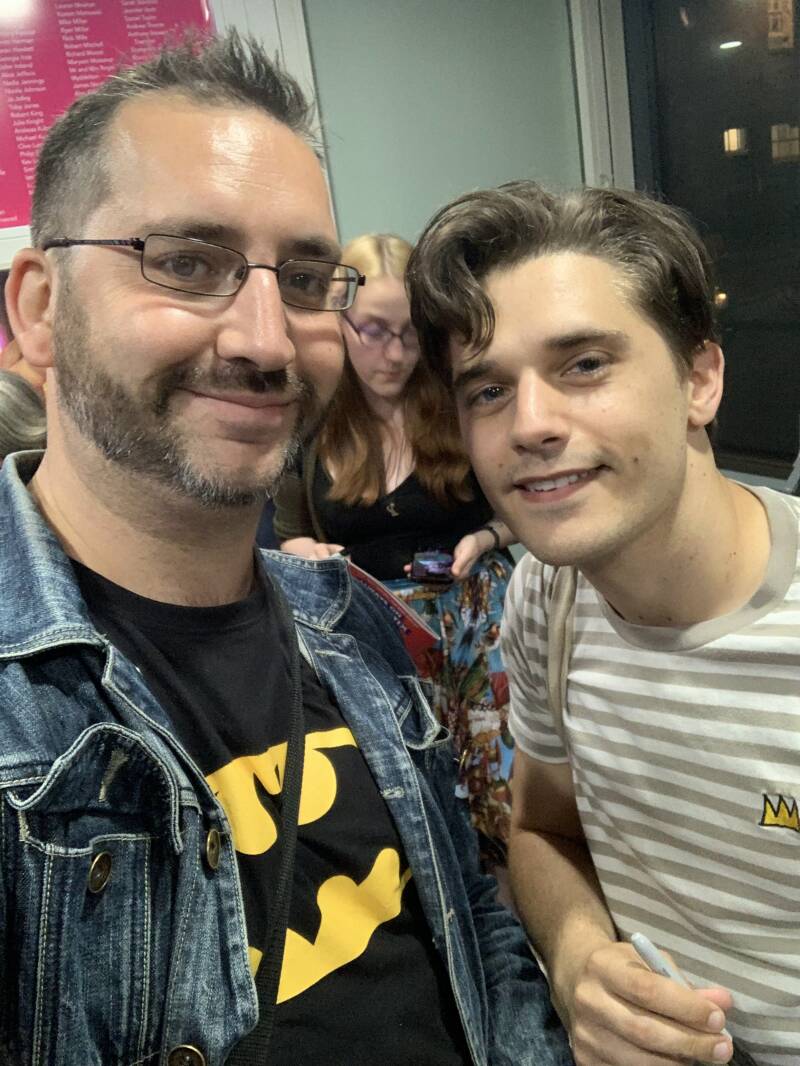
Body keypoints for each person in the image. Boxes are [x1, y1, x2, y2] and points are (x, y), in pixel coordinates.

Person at [0, 36, 572, 1066]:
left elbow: (474, 928)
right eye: (186, 263)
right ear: (41, 308)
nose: (266, 339)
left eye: (305, 278)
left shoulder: (351, 624)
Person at [407, 180, 800, 1066]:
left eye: (584, 365)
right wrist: (581, 959)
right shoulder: (546, 598)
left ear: (700, 379)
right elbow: (545, 830)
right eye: (488, 390)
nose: (531, 425)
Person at [274, 233, 516, 853]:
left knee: (502, 798)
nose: (396, 354)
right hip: (373, 631)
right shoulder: (310, 418)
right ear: (340, 322)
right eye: (374, 331)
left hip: (474, 621)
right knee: (411, 803)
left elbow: (520, 509)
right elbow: (285, 536)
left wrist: (487, 536)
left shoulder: (458, 403)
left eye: (410, 334)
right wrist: (305, 553)